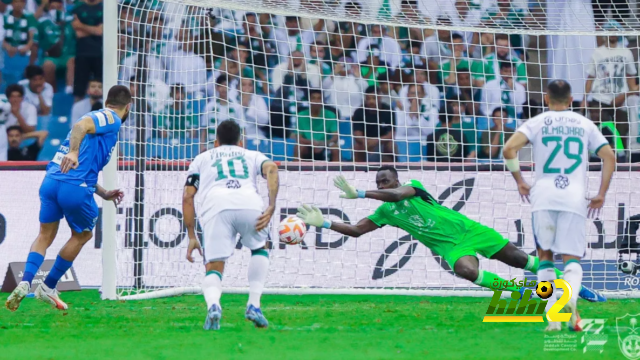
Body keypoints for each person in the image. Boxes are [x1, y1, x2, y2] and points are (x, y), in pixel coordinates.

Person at [295, 168, 606, 310]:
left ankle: (574, 284)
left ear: (397, 180)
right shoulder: (385, 213)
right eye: (378, 182)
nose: (383, 184)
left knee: (523, 260)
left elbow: (395, 194)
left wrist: (360, 192)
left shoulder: (413, 187)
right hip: (452, 247)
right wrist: (325, 222)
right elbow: (356, 230)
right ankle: (526, 294)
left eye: (386, 180)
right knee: (467, 271)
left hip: (471, 231)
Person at [5, 85, 131, 312]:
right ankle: (48, 286)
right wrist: (73, 152)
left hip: (52, 181)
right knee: (83, 234)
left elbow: (84, 162)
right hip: (73, 188)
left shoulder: (97, 122)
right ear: (128, 106)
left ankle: (26, 281)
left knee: (45, 234)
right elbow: (81, 126)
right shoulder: (111, 118)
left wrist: (103, 193)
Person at [503, 80, 615, 331]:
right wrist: (601, 193)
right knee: (571, 259)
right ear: (571, 99)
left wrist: (520, 180)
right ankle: (571, 300)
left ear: (546, 98)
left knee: (544, 258)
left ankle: (552, 318)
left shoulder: (537, 122)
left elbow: (509, 149)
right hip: (573, 196)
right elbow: (609, 155)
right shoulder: (585, 124)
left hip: (543, 195)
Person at [183, 120, 280, 330]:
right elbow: (272, 168)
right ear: (241, 141)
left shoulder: (202, 158)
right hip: (250, 204)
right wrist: (271, 205)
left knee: (214, 266)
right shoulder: (252, 155)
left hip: (217, 207)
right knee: (259, 249)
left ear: (216, 142)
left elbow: (188, 196)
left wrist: (191, 235)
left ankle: (214, 305)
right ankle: (254, 304)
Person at [582, 20, 638, 150]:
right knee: (600, 135)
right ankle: (598, 163)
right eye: (610, 30)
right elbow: (590, 77)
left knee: (621, 133)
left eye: (615, 30)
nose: (613, 33)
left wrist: (631, 91)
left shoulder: (626, 52)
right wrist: (585, 98)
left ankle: (622, 163)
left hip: (620, 100)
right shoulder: (597, 52)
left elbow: (631, 75)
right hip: (599, 99)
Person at [352, 86, 395, 162]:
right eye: (368, 99)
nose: (371, 102)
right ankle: (359, 171)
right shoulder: (359, 112)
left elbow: (391, 134)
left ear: (379, 97)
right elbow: (357, 135)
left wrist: (376, 141)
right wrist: (367, 142)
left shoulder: (388, 111)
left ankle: (389, 171)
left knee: (392, 146)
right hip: (365, 142)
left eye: (374, 98)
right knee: (357, 147)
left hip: (383, 142)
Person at [71, 0, 103, 102]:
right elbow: (77, 33)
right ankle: (76, 114)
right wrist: (94, 30)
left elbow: (100, 31)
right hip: (82, 53)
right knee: (79, 90)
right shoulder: (78, 8)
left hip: (101, 53)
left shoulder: (106, 7)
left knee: (102, 89)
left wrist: (82, 26)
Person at [294, 88, 338, 161]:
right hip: (307, 144)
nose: (316, 101)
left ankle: (338, 171)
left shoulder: (330, 115)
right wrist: (312, 143)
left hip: (324, 144)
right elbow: (299, 138)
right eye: (313, 98)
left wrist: (323, 143)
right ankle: (294, 171)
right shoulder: (301, 115)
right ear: (309, 101)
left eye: (319, 98)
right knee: (298, 147)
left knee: (335, 148)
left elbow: (335, 136)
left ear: (322, 101)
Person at [2, 0, 37, 88]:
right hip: (8, 47)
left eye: (21, 2)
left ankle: (29, 71)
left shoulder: (30, 17)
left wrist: (27, 46)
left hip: (24, 47)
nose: (18, 4)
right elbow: (2, 37)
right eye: (16, 2)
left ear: (24, 4)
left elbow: (32, 36)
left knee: (34, 46)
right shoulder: (5, 17)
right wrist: (7, 46)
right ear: (12, 4)